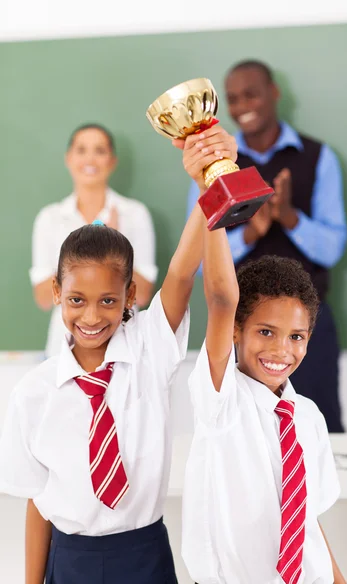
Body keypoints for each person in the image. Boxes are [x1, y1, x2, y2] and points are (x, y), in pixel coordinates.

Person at [0, 125, 237, 584]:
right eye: (76, 300)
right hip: (69, 560)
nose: (91, 316)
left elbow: (182, 273)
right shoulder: (34, 392)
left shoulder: (149, 349)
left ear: (130, 295)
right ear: (56, 292)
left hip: (142, 553)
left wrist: (206, 180)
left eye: (108, 300)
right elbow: (37, 501)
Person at [181, 145, 345, 583]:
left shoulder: (307, 418)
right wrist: (210, 191)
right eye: (265, 332)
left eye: (296, 337)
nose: (281, 350)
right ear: (236, 330)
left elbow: (305, 520)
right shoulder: (222, 402)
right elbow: (220, 297)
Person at [186, 60, 347, 433]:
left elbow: (333, 247)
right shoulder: (213, 165)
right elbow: (195, 258)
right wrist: (250, 232)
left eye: (252, 93)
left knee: (317, 426)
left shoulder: (318, 158)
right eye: (233, 98)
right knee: (239, 431)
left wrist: (290, 217)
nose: (243, 105)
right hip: (240, 327)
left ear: (274, 93)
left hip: (305, 328)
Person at [30, 123, 158, 358]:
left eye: (100, 151)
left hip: (124, 348)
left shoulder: (134, 214)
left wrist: (115, 244)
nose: (90, 158)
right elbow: (42, 297)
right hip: (63, 350)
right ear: (69, 158)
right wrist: (86, 252)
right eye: (81, 150)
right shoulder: (49, 218)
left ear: (112, 161)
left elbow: (143, 293)